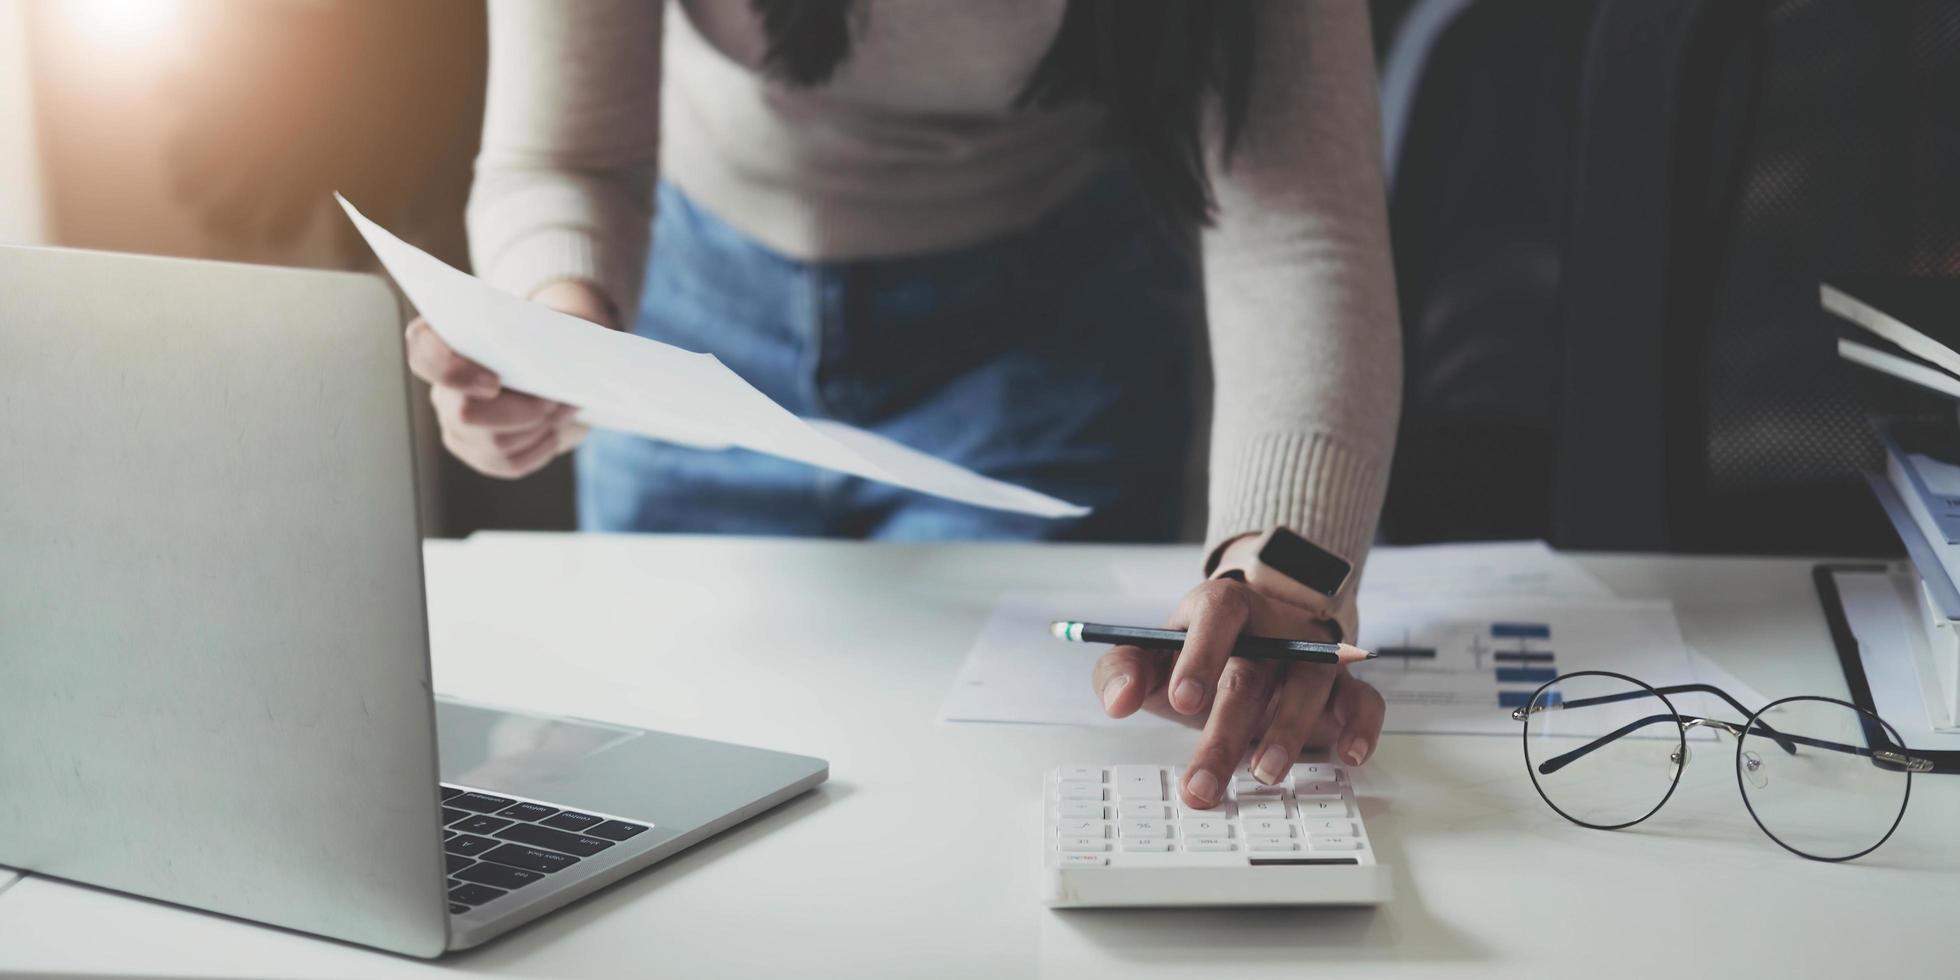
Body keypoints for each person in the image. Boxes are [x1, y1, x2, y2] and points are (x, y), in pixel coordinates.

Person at [405, 0, 1401, 809]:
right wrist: (557, 339)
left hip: (1042, 329)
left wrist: (1286, 566)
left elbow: (1301, 230)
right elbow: (569, 157)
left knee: (990, 801)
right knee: (645, 776)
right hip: (691, 325)